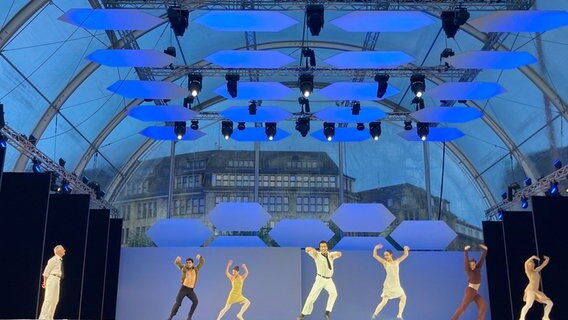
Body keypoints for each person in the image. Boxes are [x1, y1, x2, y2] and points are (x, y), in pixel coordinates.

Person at [297, 240, 342, 320]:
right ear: (320, 248)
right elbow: (306, 249)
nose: (323, 248)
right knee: (311, 297)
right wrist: (310, 249)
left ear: (327, 247)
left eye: (324, 246)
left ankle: (327, 312)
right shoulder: (316, 255)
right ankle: (303, 314)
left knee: (334, 293)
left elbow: (339, 254)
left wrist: (337, 254)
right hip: (320, 279)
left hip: (329, 280)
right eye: (321, 247)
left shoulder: (330, 255)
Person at [371, 244, 410, 320]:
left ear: (391, 255)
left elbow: (405, 255)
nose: (386, 257)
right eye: (385, 255)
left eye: (387, 255)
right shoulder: (385, 263)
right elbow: (375, 256)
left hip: (396, 285)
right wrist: (375, 248)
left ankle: (399, 315)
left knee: (403, 297)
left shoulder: (397, 262)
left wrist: (405, 248)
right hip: (388, 285)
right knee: (384, 301)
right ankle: (374, 315)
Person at [451, 244, 488, 320]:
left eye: (474, 264)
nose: (473, 266)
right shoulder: (468, 271)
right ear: (469, 266)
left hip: (475, 292)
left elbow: (482, 259)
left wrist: (485, 250)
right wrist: (465, 251)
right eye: (471, 265)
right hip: (470, 291)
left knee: (483, 306)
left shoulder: (478, 268)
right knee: (463, 307)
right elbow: (465, 262)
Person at [168, 254, 205, 320]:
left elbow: (202, 262)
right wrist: (178, 260)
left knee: (195, 302)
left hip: (190, 290)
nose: (188, 264)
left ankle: (189, 317)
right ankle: (170, 317)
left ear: (192, 263)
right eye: (187, 262)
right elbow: (177, 263)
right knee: (178, 303)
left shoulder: (196, 269)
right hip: (184, 289)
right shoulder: (183, 268)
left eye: (190, 262)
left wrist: (200, 257)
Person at [519, 255, 553, 320]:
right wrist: (532, 257)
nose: (532, 264)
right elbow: (525, 263)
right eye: (530, 263)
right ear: (528, 266)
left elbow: (544, 264)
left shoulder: (536, 270)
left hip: (536, 290)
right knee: (529, 304)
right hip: (531, 289)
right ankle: (522, 318)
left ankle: (545, 317)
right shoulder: (528, 272)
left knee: (550, 303)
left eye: (533, 263)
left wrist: (547, 259)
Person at [39, 245, 66, 320]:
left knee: (55, 299)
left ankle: (50, 317)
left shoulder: (60, 260)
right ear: (58, 251)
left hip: (57, 280)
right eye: (63, 249)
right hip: (52, 278)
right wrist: (44, 282)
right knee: (49, 298)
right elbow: (45, 272)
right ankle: (43, 317)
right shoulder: (53, 260)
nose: (65, 250)